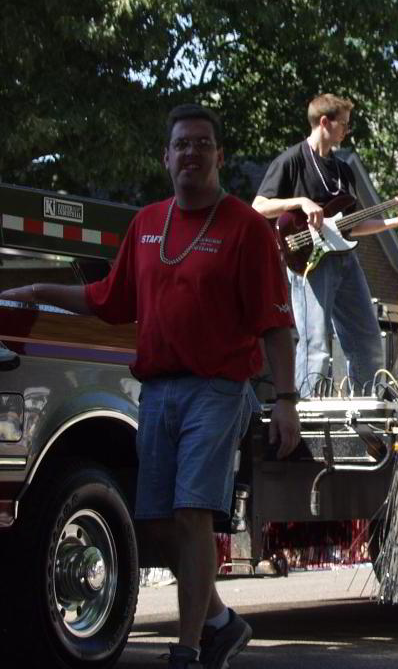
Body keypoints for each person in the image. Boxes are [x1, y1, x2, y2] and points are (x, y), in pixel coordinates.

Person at [0, 104, 300, 668]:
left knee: (191, 515)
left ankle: (189, 649)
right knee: (157, 525)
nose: (192, 153)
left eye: (203, 143)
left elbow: (277, 327)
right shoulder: (146, 224)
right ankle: (220, 623)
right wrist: (35, 291)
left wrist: (286, 402)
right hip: (157, 391)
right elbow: (108, 300)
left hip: (217, 389)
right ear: (166, 157)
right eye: (182, 144)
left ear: (219, 155)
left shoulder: (247, 229)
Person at [253, 94, 398, 396]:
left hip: (346, 259)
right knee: (316, 344)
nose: (347, 131)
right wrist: (300, 202)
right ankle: (305, 410)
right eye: (344, 124)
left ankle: (363, 406)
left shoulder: (343, 170)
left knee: (368, 340)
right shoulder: (292, 160)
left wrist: (395, 221)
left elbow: (351, 225)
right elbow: (259, 206)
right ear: (324, 122)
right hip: (309, 261)